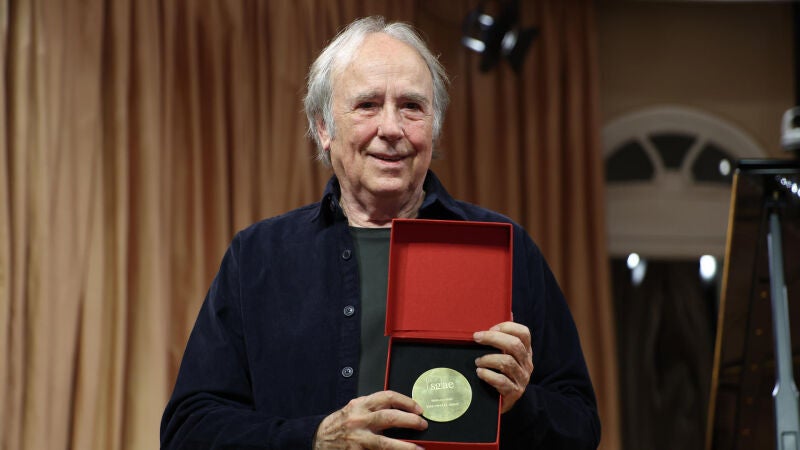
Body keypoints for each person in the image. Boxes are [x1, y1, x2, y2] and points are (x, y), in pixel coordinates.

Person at [161, 16, 600, 450]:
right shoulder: (259, 256)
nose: (391, 128)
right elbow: (188, 429)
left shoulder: (502, 247)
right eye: (368, 105)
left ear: (434, 126)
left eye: (412, 107)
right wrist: (315, 439)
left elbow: (579, 426)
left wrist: (520, 403)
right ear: (324, 128)